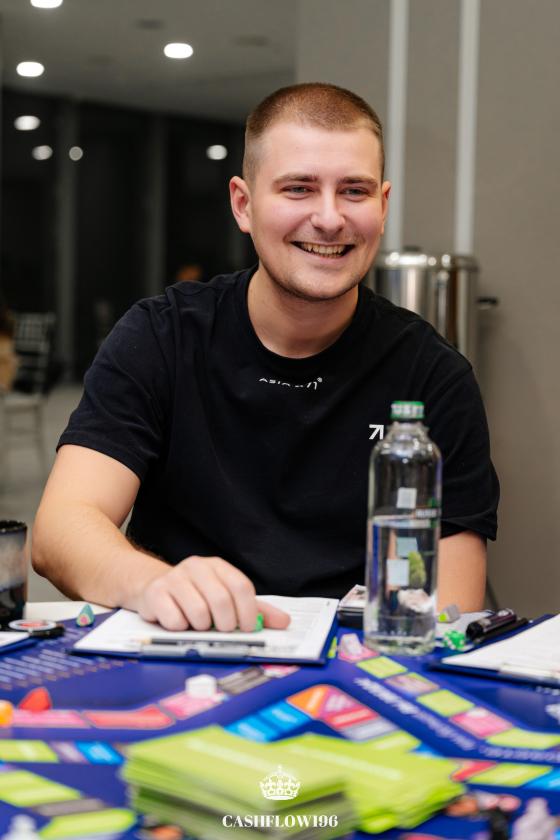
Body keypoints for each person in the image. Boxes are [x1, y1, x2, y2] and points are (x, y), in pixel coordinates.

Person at [32, 83, 499, 632]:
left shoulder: (434, 376)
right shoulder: (163, 336)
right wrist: (155, 584)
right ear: (243, 204)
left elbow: (449, 609)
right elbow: (61, 530)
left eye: (354, 191)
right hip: (184, 645)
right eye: (299, 188)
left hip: (359, 663)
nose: (330, 218)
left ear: (382, 204)